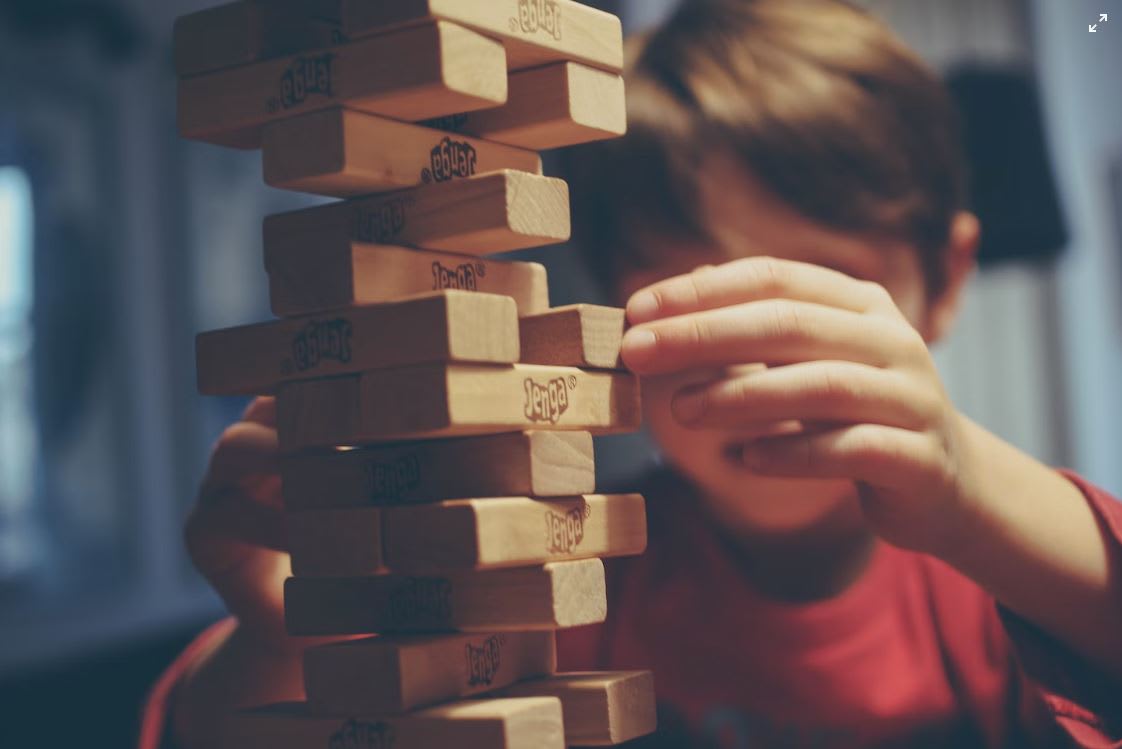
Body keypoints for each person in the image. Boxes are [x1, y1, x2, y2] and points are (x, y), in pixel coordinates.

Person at [143, 1, 1122, 747]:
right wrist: (293, 635)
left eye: (819, 292)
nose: (757, 361)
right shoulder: (557, 574)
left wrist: (966, 481)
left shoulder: (999, 576)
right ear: (611, 312)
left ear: (945, 278)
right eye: (691, 297)